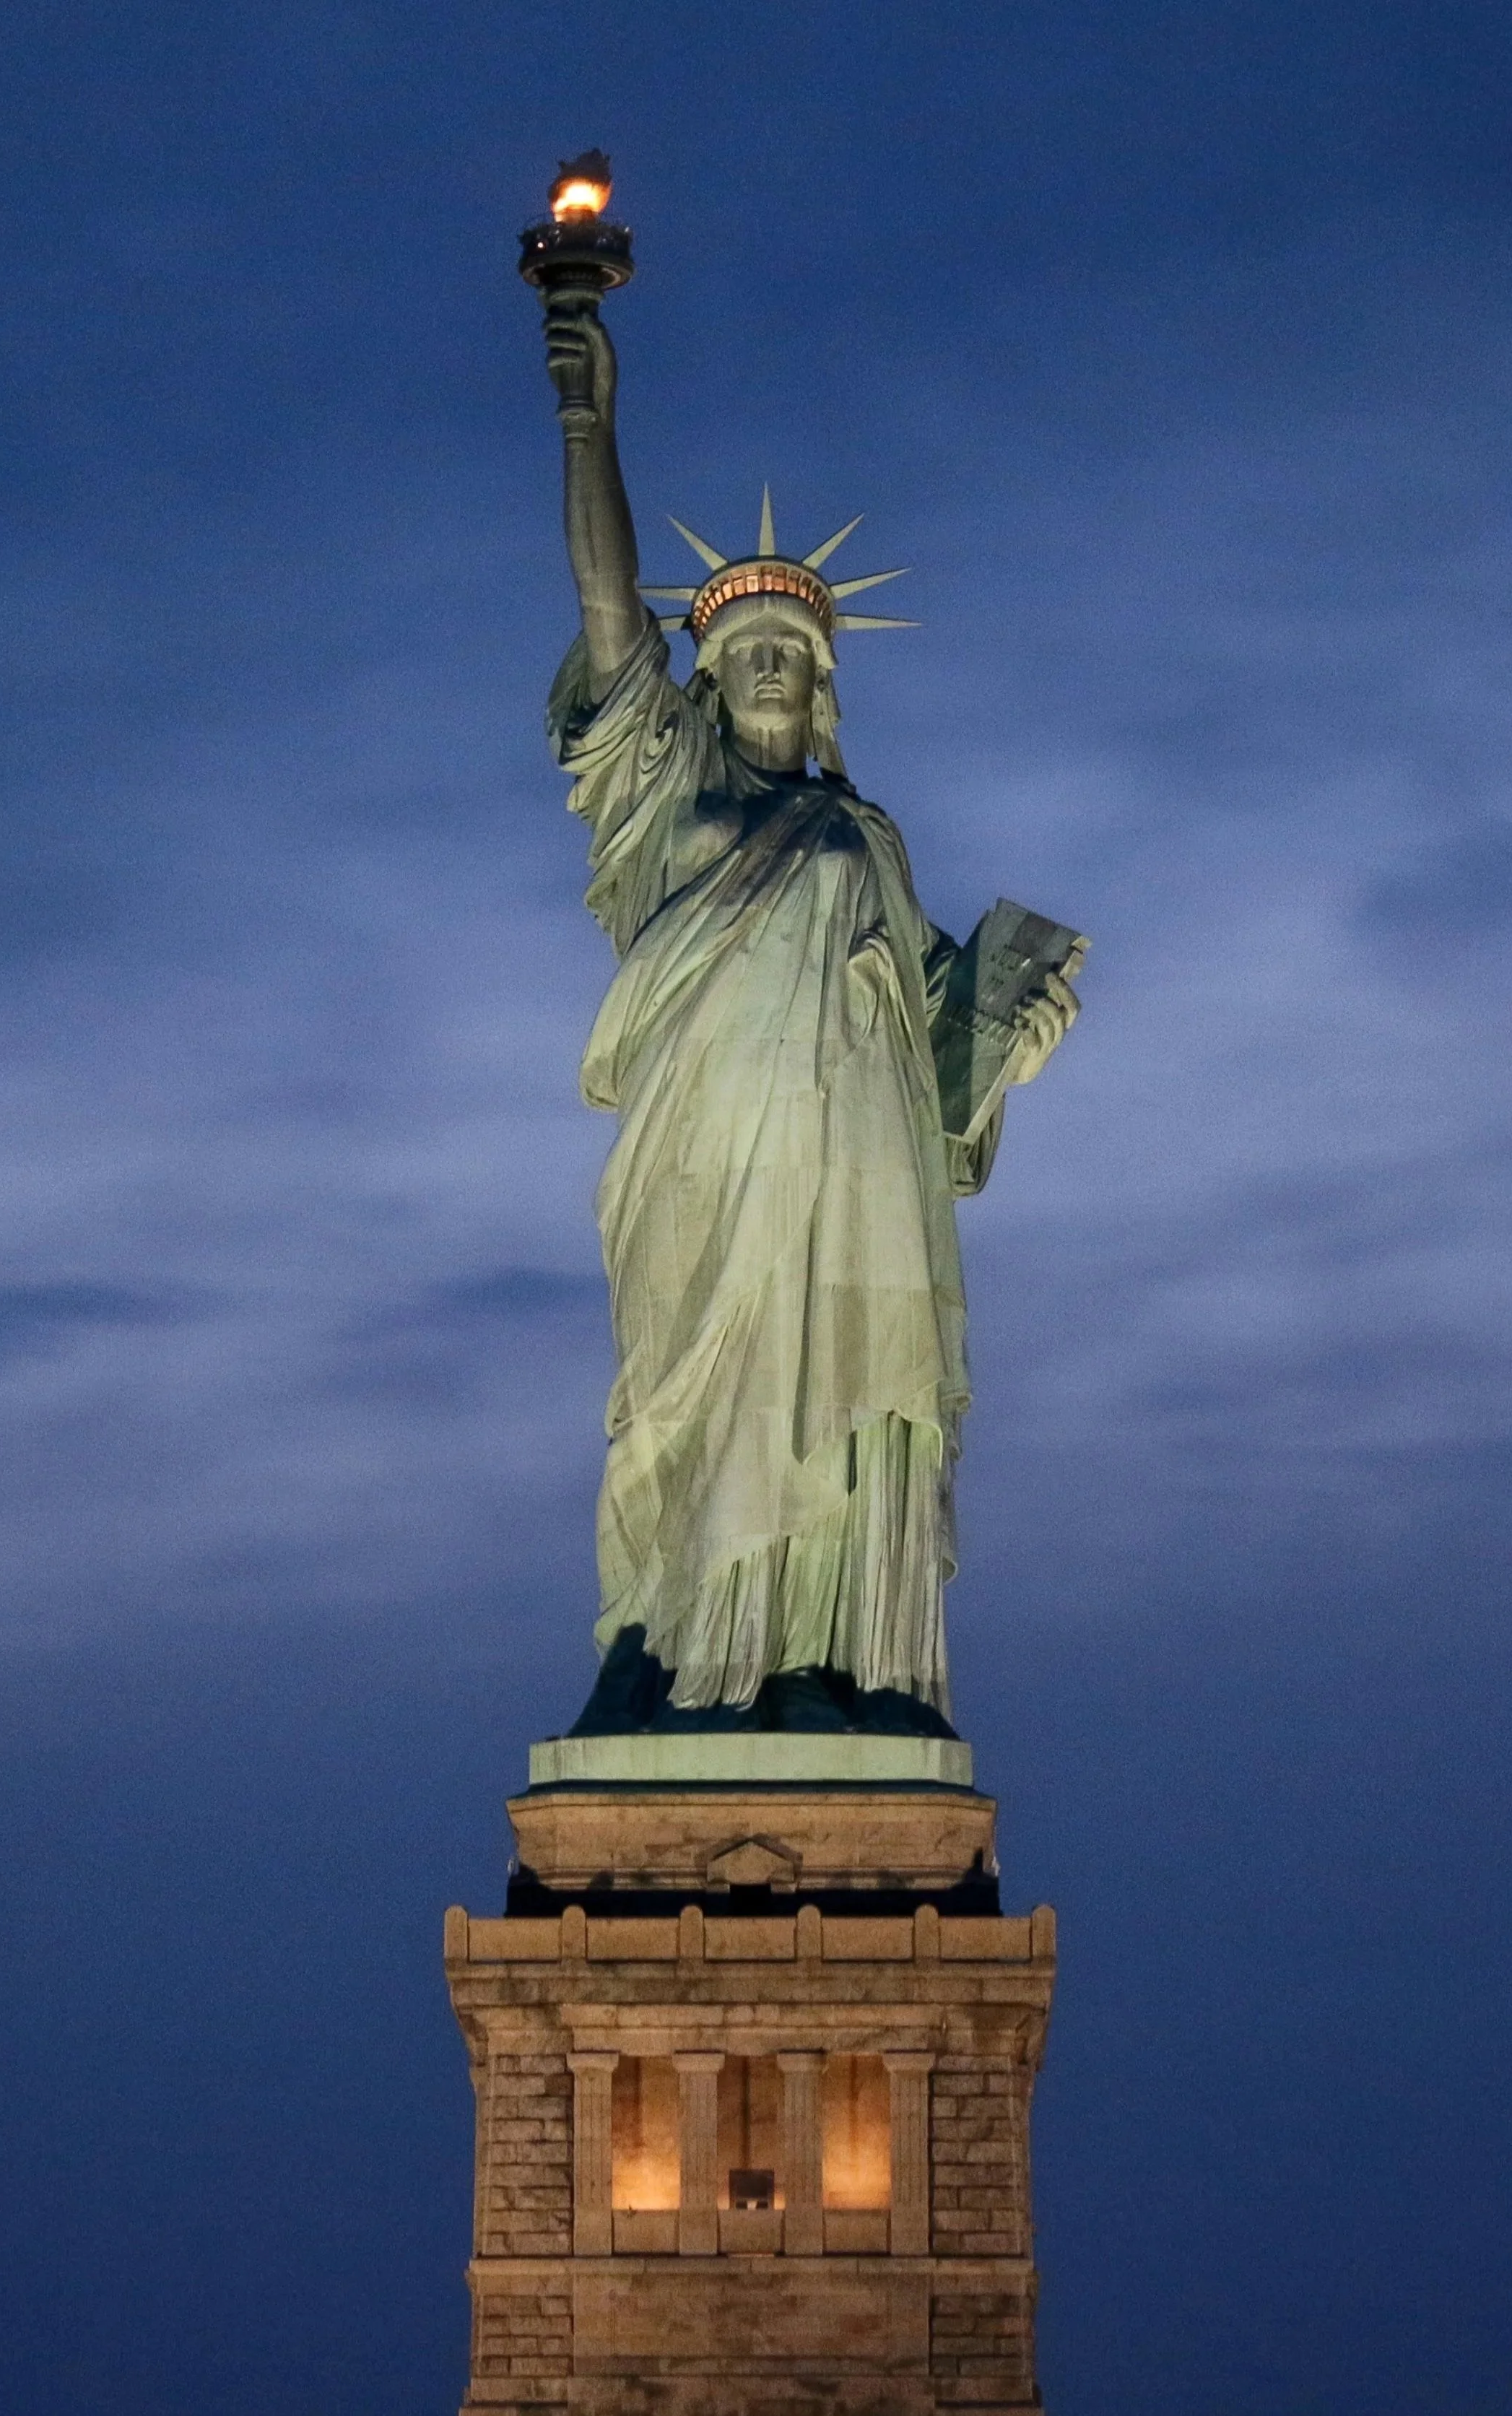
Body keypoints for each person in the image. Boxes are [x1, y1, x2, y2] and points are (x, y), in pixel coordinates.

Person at [542, 298, 1078, 1736]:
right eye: (743, 651)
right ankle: (670, 1644)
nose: (770, 664)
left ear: (823, 681)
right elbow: (608, 618)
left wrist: (1005, 1020)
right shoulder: (667, 797)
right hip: (709, 1159)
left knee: (845, 1392)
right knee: (688, 1391)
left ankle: (823, 1657)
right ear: (708, 679)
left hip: (856, 1176)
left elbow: (931, 1041)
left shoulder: (866, 839)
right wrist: (586, 414)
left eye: (792, 649)